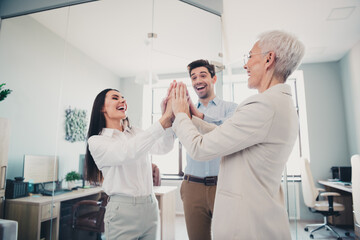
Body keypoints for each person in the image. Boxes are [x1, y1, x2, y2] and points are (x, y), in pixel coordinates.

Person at [170, 30, 305, 239]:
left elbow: (200, 148)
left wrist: (180, 114)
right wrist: (196, 118)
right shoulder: (280, 103)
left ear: (269, 59)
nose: (245, 65)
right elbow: (231, 139)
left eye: (250, 57)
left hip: (249, 222)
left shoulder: (262, 104)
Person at [84, 88, 174, 240]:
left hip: (150, 207)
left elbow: (164, 147)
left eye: (123, 98)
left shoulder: (136, 133)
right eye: (115, 97)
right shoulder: (96, 141)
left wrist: (168, 120)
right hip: (122, 212)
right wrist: (161, 123)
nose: (122, 100)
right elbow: (126, 152)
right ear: (102, 107)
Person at [181, 59, 237, 240]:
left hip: (224, 185)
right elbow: (168, 139)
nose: (198, 80)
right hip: (192, 187)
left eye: (203, 75)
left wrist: (199, 117)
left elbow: (227, 133)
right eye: (194, 77)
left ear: (214, 79)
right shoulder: (185, 113)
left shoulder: (231, 108)